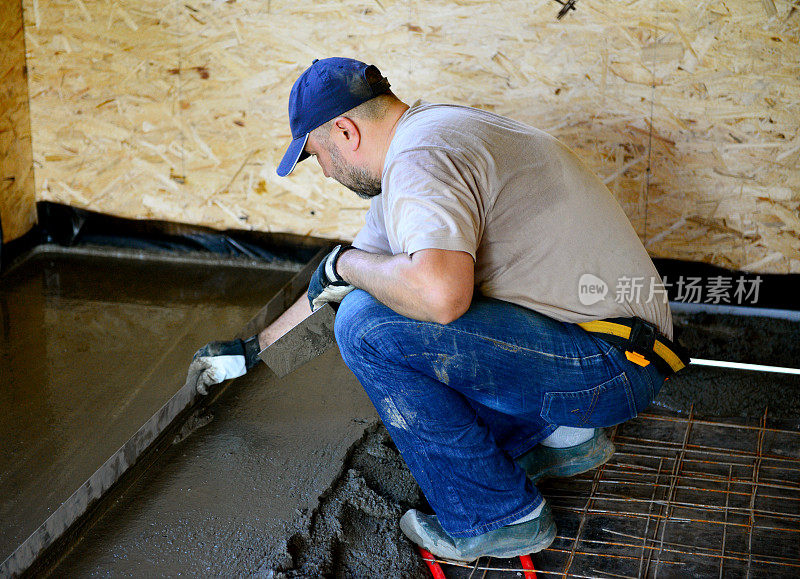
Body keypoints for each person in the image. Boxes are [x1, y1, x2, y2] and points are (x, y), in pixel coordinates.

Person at [185, 57, 688, 561]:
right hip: (618, 345)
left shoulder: (422, 159)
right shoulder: (428, 136)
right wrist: (256, 352)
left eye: (317, 157)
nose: (326, 173)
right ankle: (566, 436)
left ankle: (497, 516)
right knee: (374, 297)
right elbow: (336, 283)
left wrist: (350, 267)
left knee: (367, 326)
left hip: (610, 367)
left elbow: (437, 298)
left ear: (344, 130)